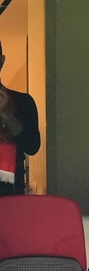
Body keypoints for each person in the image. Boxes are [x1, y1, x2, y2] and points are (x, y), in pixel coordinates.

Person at [0, 39, 41, 196]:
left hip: (11, 196)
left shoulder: (23, 102)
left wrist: (7, 115)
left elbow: (32, 146)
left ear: (1, 60)